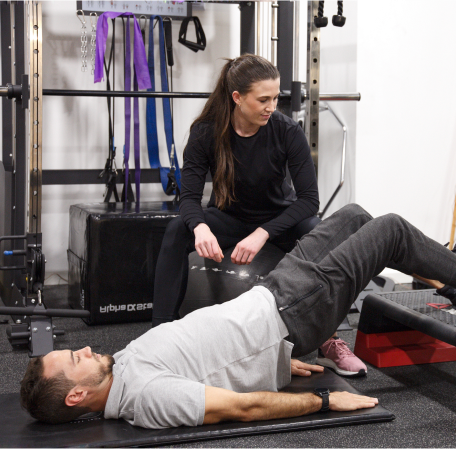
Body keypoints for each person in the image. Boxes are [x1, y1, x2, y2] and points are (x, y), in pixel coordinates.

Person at [21, 204, 456, 428]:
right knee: (391, 229)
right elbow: (241, 407)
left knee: (356, 216)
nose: (84, 348)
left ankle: (444, 278)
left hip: (275, 292)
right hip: (296, 309)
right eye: (75, 359)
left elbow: (205, 359)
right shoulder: (146, 397)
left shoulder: (119, 369)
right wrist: (326, 401)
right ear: (76, 396)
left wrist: (273, 362)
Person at [152, 54, 362, 376]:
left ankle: (329, 341)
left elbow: (309, 200)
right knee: (177, 229)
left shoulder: (286, 130)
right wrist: (200, 228)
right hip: (229, 219)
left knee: (318, 232)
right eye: (263, 99)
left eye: (275, 98)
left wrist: (263, 233)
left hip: (279, 220)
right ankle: (160, 339)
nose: (271, 107)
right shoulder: (206, 132)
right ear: (237, 97)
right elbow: (189, 198)